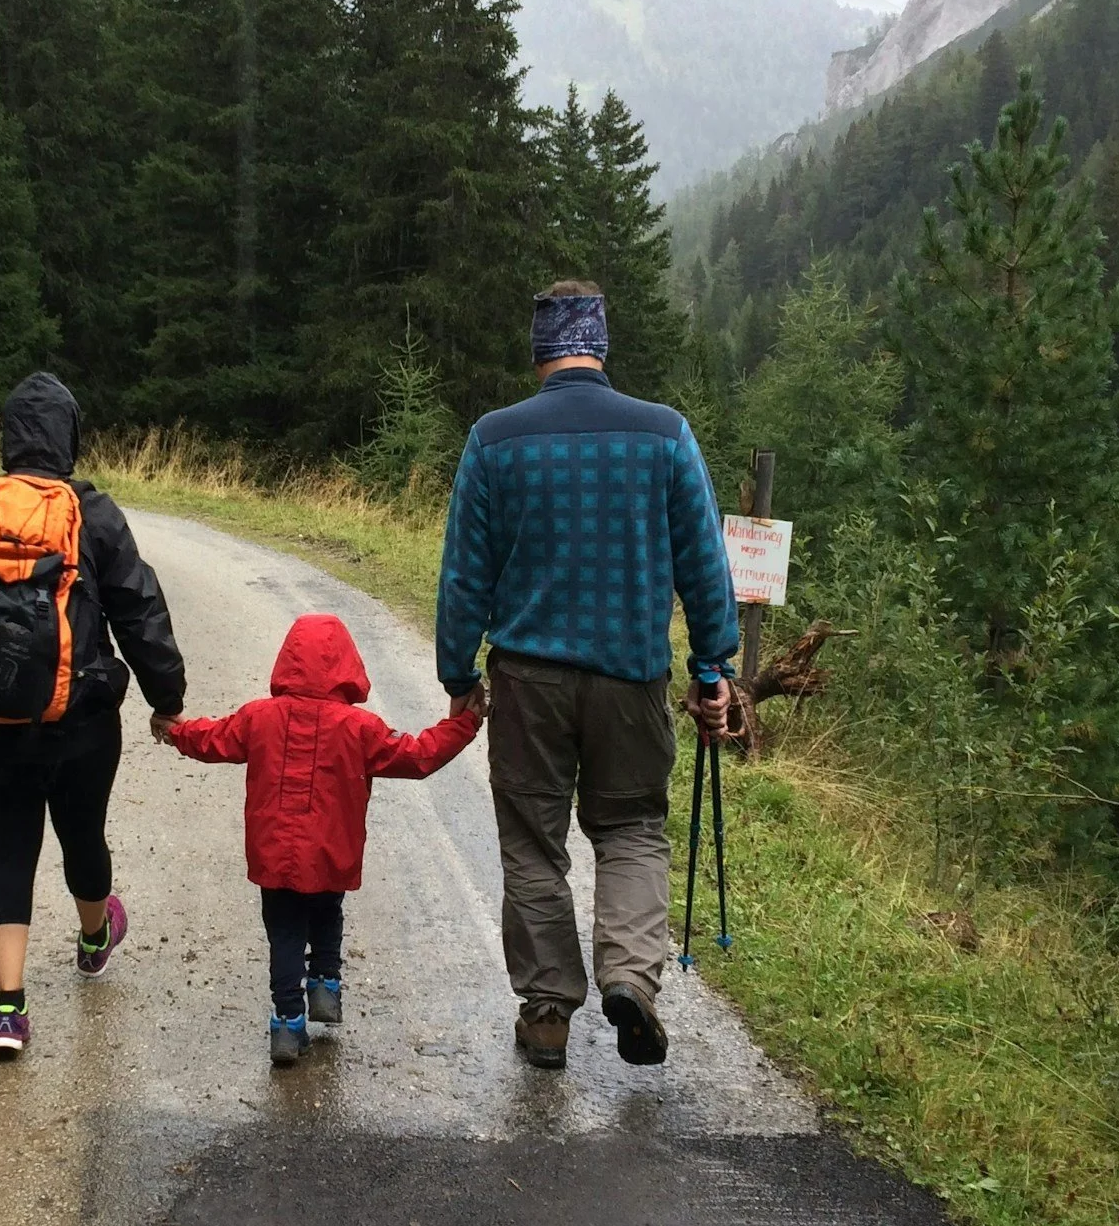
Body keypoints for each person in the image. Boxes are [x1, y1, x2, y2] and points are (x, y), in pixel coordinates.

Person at [434, 280, 745, 1071]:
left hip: (529, 682)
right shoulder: (666, 435)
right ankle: (630, 980)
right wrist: (714, 668)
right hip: (632, 677)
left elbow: (464, 577)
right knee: (633, 827)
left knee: (534, 844)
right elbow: (705, 568)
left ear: (539, 349)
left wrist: (457, 671)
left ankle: (546, 1014)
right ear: (600, 343)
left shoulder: (494, 441)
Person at [0, 373, 187, 1059]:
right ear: (70, 437)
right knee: (82, 835)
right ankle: (95, 937)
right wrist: (167, 698)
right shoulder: (91, 513)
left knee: (10, 848)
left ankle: (8, 1009)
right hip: (81, 721)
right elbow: (139, 610)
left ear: (8, 437)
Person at [164, 613, 481, 1066]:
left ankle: (288, 1023)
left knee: (285, 931)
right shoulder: (360, 728)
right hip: (332, 852)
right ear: (347, 666)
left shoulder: (259, 718)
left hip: (274, 854)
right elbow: (417, 755)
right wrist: (463, 724)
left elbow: (212, 738)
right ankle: (326, 984)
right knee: (328, 911)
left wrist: (175, 729)